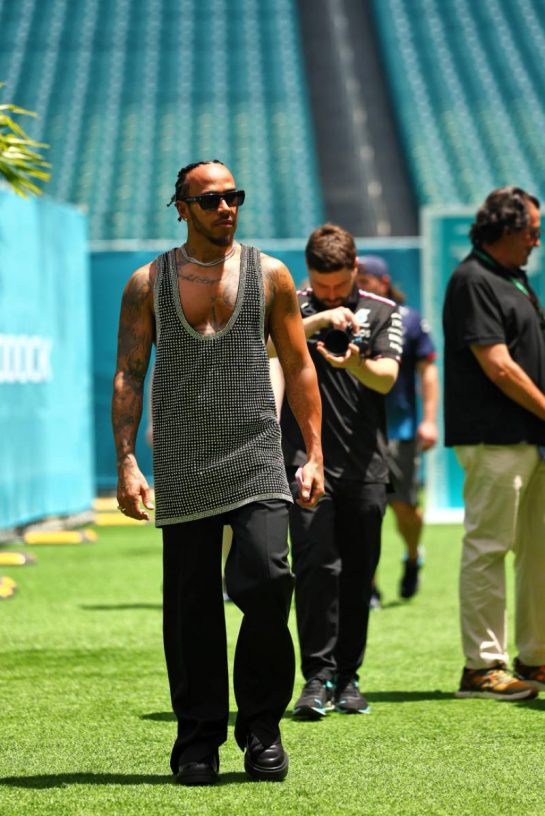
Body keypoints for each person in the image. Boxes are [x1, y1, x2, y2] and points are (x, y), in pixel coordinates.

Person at [112, 159, 324, 784]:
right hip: (182, 460)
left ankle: (261, 730)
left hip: (256, 455)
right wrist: (126, 460)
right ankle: (197, 740)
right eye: (210, 200)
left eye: (234, 196)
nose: (226, 207)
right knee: (191, 608)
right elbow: (129, 373)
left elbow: (299, 364)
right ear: (181, 208)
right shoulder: (148, 282)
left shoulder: (271, 274)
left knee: (268, 581)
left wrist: (314, 453)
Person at [273, 223, 402, 719]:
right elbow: (262, 348)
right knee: (314, 568)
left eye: (338, 285)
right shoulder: (291, 305)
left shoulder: (382, 310)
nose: (329, 293)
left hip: (366, 463)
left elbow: (387, 378)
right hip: (304, 462)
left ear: (355, 269)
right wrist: (316, 320)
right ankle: (317, 678)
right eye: (320, 285)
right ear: (308, 273)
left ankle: (348, 677)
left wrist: (355, 364)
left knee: (357, 572)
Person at [443, 186, 545, 701]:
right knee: (489, 548)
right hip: (494, 438)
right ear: (506, 228)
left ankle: (535, 657)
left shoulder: (511, 277)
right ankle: (481, 667)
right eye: (532, 231)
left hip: (528, 437)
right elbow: (499, 366)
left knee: (538, 551)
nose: (536, 241)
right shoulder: (473, 279)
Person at [356, 256, 438, 600]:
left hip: (399, 431)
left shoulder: (409, 321)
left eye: (365, 280)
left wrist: (429, 421)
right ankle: (369, 585)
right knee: (364, 510)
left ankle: (413, 556)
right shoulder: (347, 318)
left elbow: (428, 371)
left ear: (383, 282)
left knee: (403, 506)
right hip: (357, 431)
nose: (358, 285)